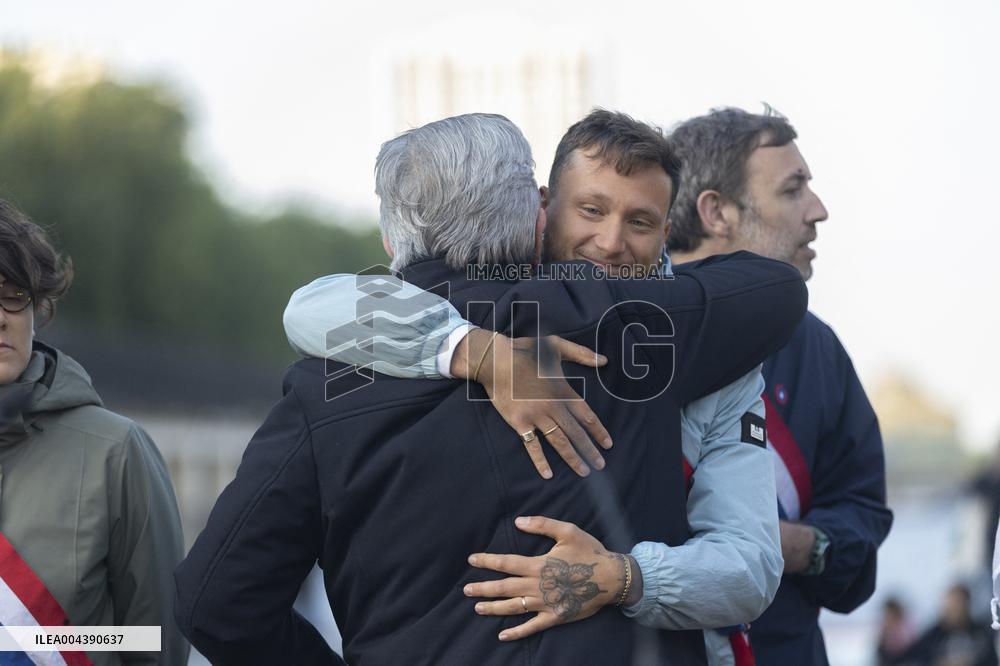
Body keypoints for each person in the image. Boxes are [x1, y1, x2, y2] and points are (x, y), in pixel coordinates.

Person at [174, 113, 807, 665]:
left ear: (391, 241)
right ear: (536, 216)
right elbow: (774, 290)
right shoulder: (633, 330)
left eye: (637, 222)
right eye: (590, 211)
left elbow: (214, 602)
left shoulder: (329, 374)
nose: (610, 242)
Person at [666, 107, 894, 664]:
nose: (818, 211)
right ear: (716, 211)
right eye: (793, 190)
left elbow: (861, 511)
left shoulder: (816, 348)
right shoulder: (625, 330)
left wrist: (797, 546)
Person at [0, 199, 187, 665]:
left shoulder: (117, 453)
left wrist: (44, 643)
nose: (2, 315)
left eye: (14, 294)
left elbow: (153, 644)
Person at [893, 585, 998, 666]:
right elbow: (913, 657)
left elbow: (991, 660)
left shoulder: (980, 634)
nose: (954, 610)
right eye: (951, 605)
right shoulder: (932, 636)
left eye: (958, 605)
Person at [877, 597, 917, 666]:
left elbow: (911, 650)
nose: (888, 617)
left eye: (890, 613)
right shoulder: (884, 629)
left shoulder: (906, 628)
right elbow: (881, 653)